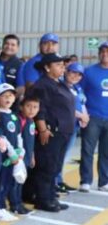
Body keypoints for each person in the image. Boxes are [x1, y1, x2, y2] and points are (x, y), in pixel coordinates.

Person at [25, 53, 76, 212]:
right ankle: (43, 199)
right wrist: (43, 129)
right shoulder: (42, 85)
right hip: (51, 131)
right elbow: (40, 109)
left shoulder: (59, 84)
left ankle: (51, 196)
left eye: (63, 65)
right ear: (47, 67)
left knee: (55, 167)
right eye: (58, 65)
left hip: (64, 131)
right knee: (46, 167)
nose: (63, 68)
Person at [0, 84, 22, 222]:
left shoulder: (14, 116)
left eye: (11, 95)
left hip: (13, 156)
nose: (8, 98)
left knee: (8, 180)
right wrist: (11, 152)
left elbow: (18, 135)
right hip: (2, 155)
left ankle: (1, 206)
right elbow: (0, 136)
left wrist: (20, 151)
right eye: (4, 95)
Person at [80, 42, 108, 192]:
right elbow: (80, 92)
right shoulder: (89, 72)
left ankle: (104, 181)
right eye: (102, 51)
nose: (105, 54)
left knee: (106, 152)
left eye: (107, 52)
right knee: (87, 150)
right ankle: (85, 180)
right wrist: (83, 113)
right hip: (93, 117)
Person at [57, 62, 87, 192]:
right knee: (58, 155)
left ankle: (59, 180)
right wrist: (80, 115)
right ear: (66, 72)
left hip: (74, 126)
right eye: (73, 72)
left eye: (79, 74)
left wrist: (85, 116)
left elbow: (82, 103)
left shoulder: (77, 88)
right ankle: (55, 182)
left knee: (65, 155)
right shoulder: (60, 86)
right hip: (63, 126)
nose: (76, 76)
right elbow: (63, 106)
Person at [13, 95, 39, 213]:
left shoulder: (31, 121)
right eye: (28, 106)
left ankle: (19, 203)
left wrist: (32, 155)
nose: (32, 110)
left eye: (35, 107)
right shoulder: (19, 120)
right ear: (21, 107)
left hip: (28, 157)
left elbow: (31, 140)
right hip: (20, 158)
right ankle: (15, 205)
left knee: (22, 180)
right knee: (15, 182)